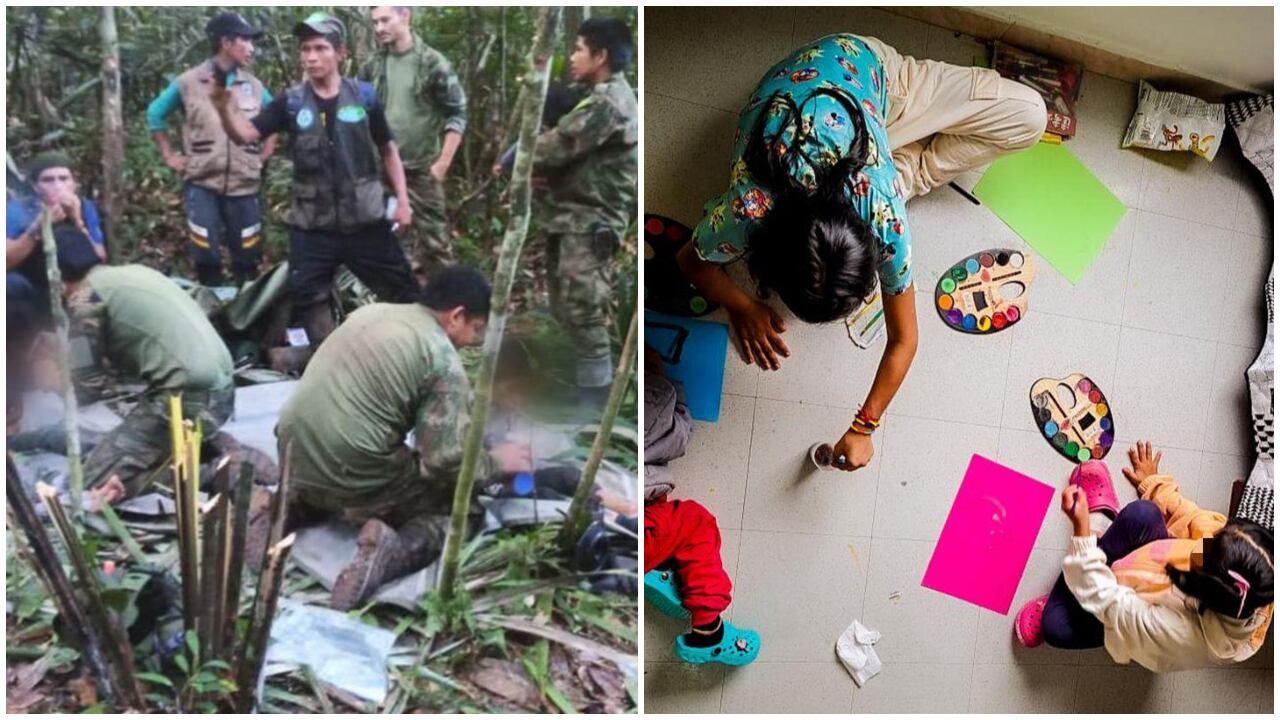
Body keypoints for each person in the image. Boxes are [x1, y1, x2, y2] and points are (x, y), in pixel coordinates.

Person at [677, 34, 1046, 471]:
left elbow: (904, 339)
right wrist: (742, 306)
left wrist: (864, 426)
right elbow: (688, 261)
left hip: (874, 85)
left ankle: (910, 170)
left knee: (1032, 116)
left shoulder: (881, 210)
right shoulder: (751, 207)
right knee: (920, 166)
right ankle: (905, 167)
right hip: (843, 96)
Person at [274, 266, 532, 610]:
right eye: (476, 329)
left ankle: (284, 509)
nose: (473, 341)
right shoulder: (441, 358)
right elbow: (442, 462)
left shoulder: (371, 313)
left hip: (292, 454)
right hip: (353, 470)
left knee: (340, 463)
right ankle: (391, 553)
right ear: (456, 316)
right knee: (461, 512)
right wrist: (497, 462)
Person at [209, 12, 416, 349]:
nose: (311, 57)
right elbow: (246, 134)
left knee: (404, 291)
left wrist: (403, 201)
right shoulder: (290, 102)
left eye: (320, 48)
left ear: (340, 53)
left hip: (365, 219)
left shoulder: (364, 96)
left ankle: (409, 352)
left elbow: (388, 149)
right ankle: (332, 355)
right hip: (313, 225)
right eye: (305, 49)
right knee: (307, 292)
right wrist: (223, 108)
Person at [1014, 443, 1274, 672]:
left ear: (1206, 584)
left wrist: (1082, 529)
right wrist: (1153, 483)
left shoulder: (1171, 632)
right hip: (1145, 568)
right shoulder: (1245, 566)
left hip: (1129, 613)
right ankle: (1088, 564)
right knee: (1143, 514)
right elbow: (1194, 517)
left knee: (1055, 626)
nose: (1211, 534)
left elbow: (1104, 597)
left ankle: (1090, 544)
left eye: (1210, 543)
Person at [28, 232, 235, 503]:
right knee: (123, 447)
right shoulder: (131, 274)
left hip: (186, 399)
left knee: (90, 485)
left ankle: (209, 475)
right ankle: (199, 454)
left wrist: (46, 377)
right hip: (221, 391)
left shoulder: (85, 299)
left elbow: (86, 390)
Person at [527, 17, 637, 408]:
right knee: (565, 305)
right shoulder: (595, 96)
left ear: (600, 55)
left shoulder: (608, 103)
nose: (572, 57)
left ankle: (594, 403)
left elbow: (551, 148)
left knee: (584, 309)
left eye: (578, 49)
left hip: (590, 222)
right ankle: (583, 385)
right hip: (572, 217)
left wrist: (520, 156)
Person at [643, 347, 760, 666]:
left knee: (665, 513)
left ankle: (663, 564)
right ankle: (709, 632)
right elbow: (681, 431)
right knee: (695, 522)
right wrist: (670, 384)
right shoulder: (656, 403)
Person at [147, 11, 276, 286]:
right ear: (226, 43)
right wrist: (169, 155)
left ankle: (246, 304)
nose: (251, 48)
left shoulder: (254, 86)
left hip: (244, 185)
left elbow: (274, 118)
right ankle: (210, 302)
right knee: (205, 253)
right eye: (245, 41)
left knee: (248, 254)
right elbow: (155, 114)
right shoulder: (188, 82)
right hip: (202, 183)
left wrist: (264, 155)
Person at [361, 6, 467, 281]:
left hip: (421, 170)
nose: (379, 28)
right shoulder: (372, 65)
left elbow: (457, 112)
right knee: (384, 243)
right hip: (381, 170)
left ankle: (447, 301)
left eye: (385, 20)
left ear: (405, 15)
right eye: (375, 22)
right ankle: (395, 299)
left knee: (435, 245)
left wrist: (442, 164)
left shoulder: (433, 63)